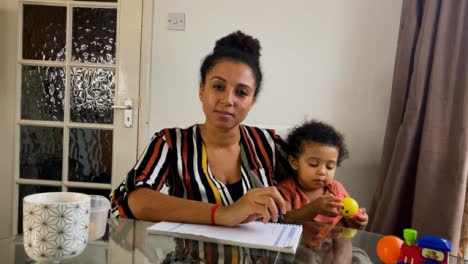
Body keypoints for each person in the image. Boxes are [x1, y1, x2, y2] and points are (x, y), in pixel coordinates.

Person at [110, 30, 293, 227]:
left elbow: (314, 181)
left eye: (241, 92)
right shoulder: (171, 142)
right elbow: (131, 199)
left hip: (259, 256)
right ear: (201, 90)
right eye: (218, 87)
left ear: (252, 101)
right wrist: (224, 213)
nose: (228, 100)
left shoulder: (268, 143)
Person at [278, 120, 368, 230]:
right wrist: (313, 209)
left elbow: (348, 221)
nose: (322, 171)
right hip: (298, 245)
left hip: (332, 244)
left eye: (329, 166)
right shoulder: (287, 189)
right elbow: (282, 221)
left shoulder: (336, 189)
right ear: (294, 162)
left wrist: (357, 222)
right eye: (314, 164)